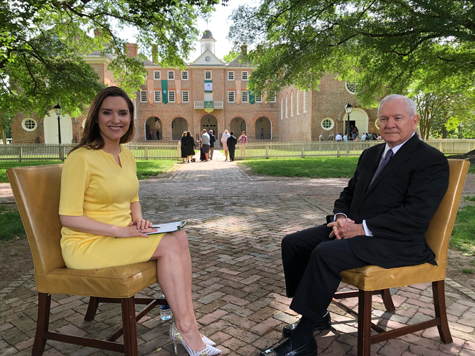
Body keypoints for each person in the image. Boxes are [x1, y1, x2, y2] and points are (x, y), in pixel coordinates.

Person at [260, 94, 449, 356]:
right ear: (377, 123)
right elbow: (348, 195)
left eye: (397, 118)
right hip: (358, 231)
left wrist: (361, 229)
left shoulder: (430, 160)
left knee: (325, 254)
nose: (389, 124)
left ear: (414, 121)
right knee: (293, 244)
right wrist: (339, 219)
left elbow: (415, 215)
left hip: (400, 242)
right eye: (384, 118)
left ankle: (303, 338)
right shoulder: (371, 155)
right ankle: (319, 314)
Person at [59, 86, 221, 356]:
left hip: (119, 235)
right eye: (107, 112)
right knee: (168, 246)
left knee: (179, 236)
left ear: (130, 118)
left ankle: (187, 323)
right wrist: (119, 230)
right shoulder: (81, 158)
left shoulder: (126, 155)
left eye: (123, 113)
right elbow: (68, 216)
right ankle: (187, 331)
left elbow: (132, 196)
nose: (116, 119)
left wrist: (138, 220)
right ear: (96, 117)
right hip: (86, 244)